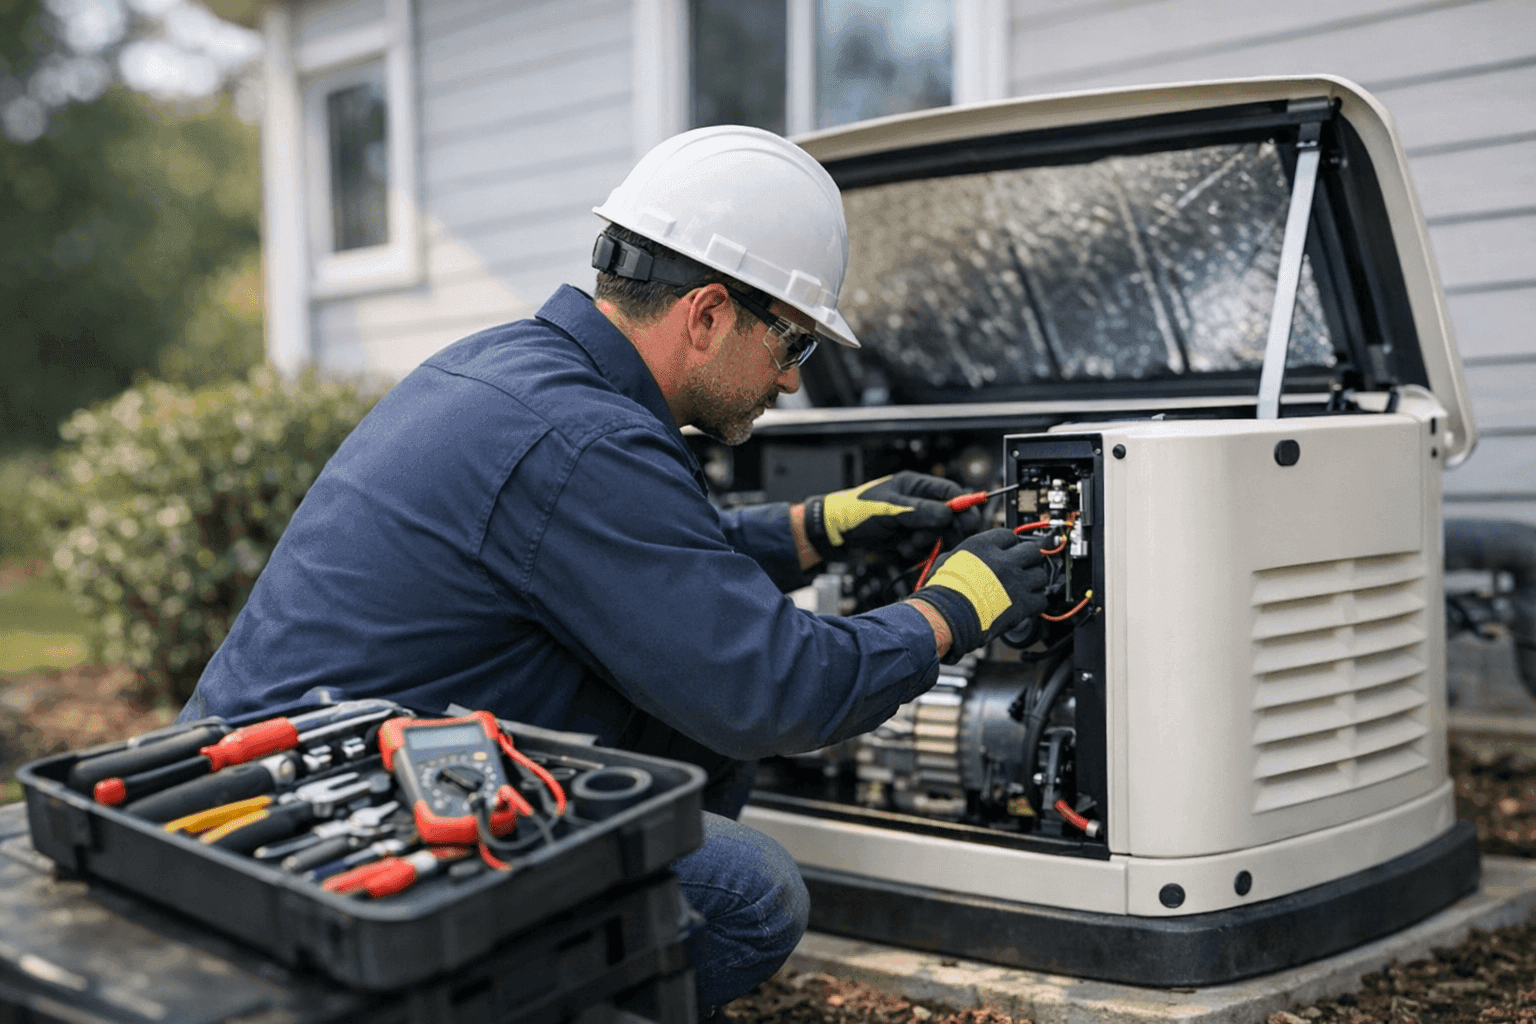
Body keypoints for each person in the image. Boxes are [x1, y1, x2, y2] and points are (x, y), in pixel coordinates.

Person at [181, 125, 1049, 1012]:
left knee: (695, 744)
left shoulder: (514, 368)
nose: (791, 383)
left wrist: (820, 525)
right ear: (708, 315)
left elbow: (647, 569)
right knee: (749, 894)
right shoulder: (585, 440)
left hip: (267, 769)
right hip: (305, 826)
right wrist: (954, 607)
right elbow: (776, 689)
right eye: (793, 346)